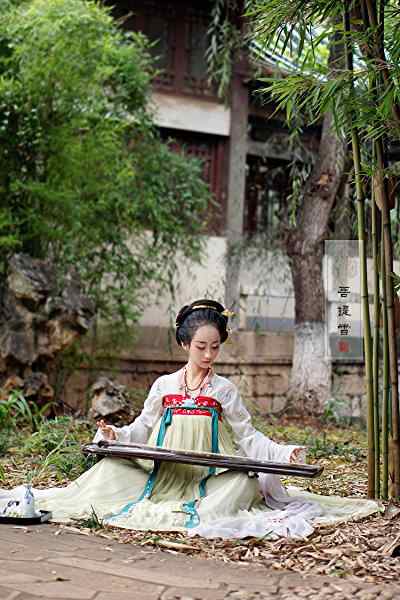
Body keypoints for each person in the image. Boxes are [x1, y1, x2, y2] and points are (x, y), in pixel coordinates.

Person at [0, 299, 380, 538]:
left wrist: (284, 452)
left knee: (241, 487)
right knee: (106, 474)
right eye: (201, 346)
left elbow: (248, 438)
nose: (209, 354)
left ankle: (204, 505)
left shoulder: (224, 389)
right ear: (184, 344)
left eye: (215, 347)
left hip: (208, 474)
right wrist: (115, 433)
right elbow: (142, 429)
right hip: (165, 471)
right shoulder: (164, 384)